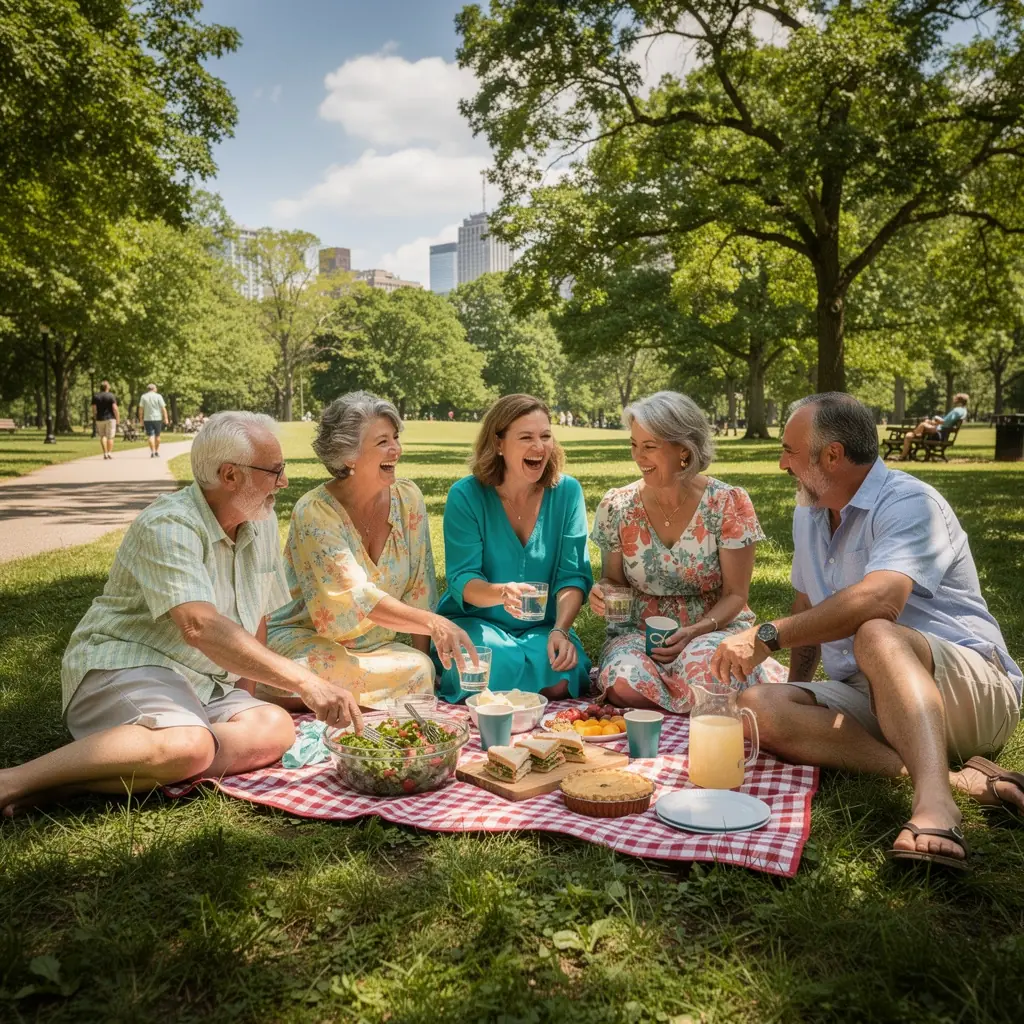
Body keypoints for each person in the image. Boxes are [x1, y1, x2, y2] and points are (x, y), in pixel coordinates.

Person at [713, 393, 1022, 869]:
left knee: (876, 631)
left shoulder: (910, 502)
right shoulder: (809, 511)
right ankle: (963, 780)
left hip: (974, 692)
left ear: (832, 455)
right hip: (874, 692)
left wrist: (766, 635)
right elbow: (807, 604)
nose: (781, 464)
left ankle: (937, 805)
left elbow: (882, 600)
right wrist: (801, 684)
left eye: (790, 451)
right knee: (758, 708)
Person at [0, 412, 363, 817]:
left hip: (202, 684)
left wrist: (245, 694)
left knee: (275, 728)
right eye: (275, 470)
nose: (284, 482)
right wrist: (306, 682)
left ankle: (82, 778)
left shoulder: (259, 521)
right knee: (190, 745)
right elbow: (198, 625)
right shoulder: (169, 525)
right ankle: (13, 781)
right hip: (128, 666)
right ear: (229, 476)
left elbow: (256, 618)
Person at [267, 392, 474, 709]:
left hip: (374, 650)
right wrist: (435, 624)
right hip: (304, 640)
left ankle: (331, 702)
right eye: (382, 442)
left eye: (396, 438)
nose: (396, 449)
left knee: (420, 671)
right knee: (320, 671)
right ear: (348, 455)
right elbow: (355, 598)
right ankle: (276, 690)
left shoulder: (408, 498)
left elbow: (422, 586)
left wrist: (424, 655)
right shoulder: (314, 512)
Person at [589, 391, 785, 713]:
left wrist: (695, 631)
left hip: (712, 627)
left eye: (649, 447)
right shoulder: (617, 506)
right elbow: (613, 580)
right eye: (634, 446)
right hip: (639, 631)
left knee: (712, 676)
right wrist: (603, 591)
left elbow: (736, 595)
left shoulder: (726, 503)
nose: (638, 457)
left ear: (684, 449)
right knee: (621, 682)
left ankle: (678, 701)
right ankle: (697, 707)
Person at [434, 393, 593, 703]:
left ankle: (504, 686)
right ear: (498, 444)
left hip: (544, 626)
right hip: (480, 623)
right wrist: (501, 593)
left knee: (562, 675)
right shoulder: (465, 495)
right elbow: (462, 579)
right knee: (489, 665)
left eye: (546, 436)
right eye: (526, 437)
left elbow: (572, 576)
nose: (540, 447)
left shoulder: (567, 492)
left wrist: (561, 629)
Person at [900, 393, 968, 459]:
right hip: (941, 429)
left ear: (959, 400)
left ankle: (913, 440)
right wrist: (935, 422)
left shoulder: (957, 411)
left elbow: (945, 423)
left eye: (955, 398)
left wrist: (937, 419)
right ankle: (915, 436)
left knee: (916, 430)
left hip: (940, 431)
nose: (954, 400)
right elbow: (946, 422)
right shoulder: (963, 410)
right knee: (924, 423)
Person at [138, 383, 169, 457]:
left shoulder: (143, 397)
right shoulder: (158, 396)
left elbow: (141, 409)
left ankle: (152, 452)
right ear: (154, 389)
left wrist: (141, 419)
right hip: (157, 418)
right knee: (157, 436)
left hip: (147, 419)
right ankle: (156, 451)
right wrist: (166, 418)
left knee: (150, 436)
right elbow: (163, 408)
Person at [91, 381, 119, 460]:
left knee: (103, 436)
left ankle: (105, 453)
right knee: (110, 437)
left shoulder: (96, 396)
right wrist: (118, 418)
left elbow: (94, 408)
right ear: (107, 387)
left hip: (100, 419)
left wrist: (95, 416)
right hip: (110, 418)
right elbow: (115, 408)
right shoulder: (111, 396)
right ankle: (109, 453)